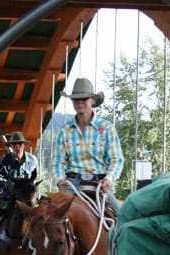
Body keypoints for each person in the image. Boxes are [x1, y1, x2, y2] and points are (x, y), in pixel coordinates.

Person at [53, 77, 124, 212]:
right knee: (50, 218)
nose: (80, 102)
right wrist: (60, 180)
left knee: (121, 218)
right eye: (75, 99)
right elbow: (58, 161)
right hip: (72, 185)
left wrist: (108, 179)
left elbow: (116, 159)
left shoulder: (107, 128)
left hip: (100, 184)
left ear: (93, 101)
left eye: (84, 99)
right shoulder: (65, 131)